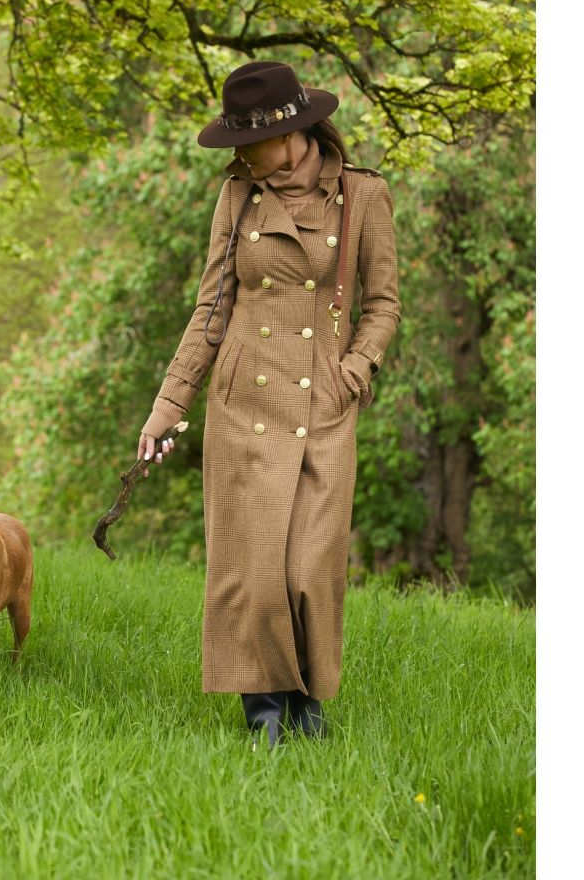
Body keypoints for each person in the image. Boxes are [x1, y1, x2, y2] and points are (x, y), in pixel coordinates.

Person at [137, 61, 401, 746]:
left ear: (289, 134)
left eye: (246, 141)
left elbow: (383, 305)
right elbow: (212, 308)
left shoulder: (363, 195)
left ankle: (308, 705)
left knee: (310, 568)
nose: (238, 155)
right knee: (254, 570)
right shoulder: (238, 197)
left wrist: (355, 368)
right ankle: (266, 720)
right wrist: (169, 404)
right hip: (243, 403)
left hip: (323, 404)